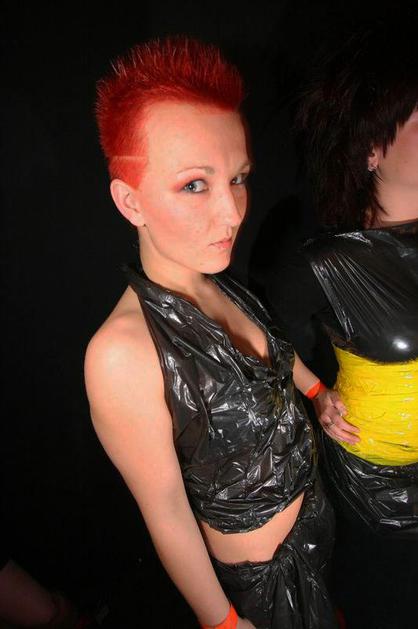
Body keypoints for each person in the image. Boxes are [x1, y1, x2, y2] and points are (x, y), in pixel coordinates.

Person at [84, 37, 338, 628]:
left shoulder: (219, 281)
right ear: (130, 202)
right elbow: (168, 511)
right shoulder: (123, 354)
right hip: (266, 592)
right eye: (195, 184)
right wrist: (221, 621)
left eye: (239, 178)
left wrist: (317, 393)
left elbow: (274, 351)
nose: (232, 212)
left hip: (318, 538)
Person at [267, 19, 417, 627]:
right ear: (372, 148)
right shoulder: (327, 263)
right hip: (380, 495)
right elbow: (259, 337)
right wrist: (314, 392)